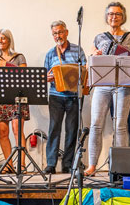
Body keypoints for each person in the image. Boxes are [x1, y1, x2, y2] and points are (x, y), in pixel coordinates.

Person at [84, 2, 130, 176]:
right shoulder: (99, 38)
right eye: (110, 14)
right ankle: (92, 165)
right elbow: (89, 65)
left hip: (125, 85)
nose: (113, 17)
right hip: (103, 84)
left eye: (117, 14)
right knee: (95, 125)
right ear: (106, 17)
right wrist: (93, 56)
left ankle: (120, 167)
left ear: (123, 17)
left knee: (120, 126)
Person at [43, 21, 87, 174]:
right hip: (56, 96)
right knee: (54, 129)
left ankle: (67, 164)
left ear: (66, 32)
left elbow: (85, 70)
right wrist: (47, 78)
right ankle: (51, 164)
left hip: (74, 96)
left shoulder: (77, 50)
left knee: (71, 130)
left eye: (60, 32)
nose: (58, 36)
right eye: (55, 33)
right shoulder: (50, 53)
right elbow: (45, 75)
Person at [0, 29, 30, 173]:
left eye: (3, 38)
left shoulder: (19, 57)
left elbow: (24, 75)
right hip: (2, 98)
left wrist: (6, 66)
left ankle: (21, 164)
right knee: (3, 132)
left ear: (9, 40)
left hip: (17, 97)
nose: (0, 41)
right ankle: (8, 165)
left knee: (16, 129)